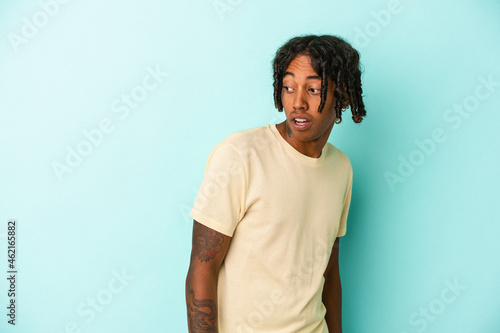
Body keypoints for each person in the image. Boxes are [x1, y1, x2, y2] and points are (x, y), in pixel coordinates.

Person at [186, 34, 366, 333]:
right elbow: (202, 266)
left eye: (313, 89)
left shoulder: (341, 168)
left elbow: (329, 271)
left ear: (343, 95)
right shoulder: (240, 155)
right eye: (288, 87)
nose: (297, 102)